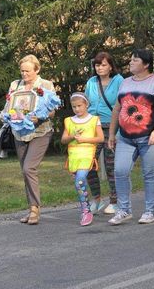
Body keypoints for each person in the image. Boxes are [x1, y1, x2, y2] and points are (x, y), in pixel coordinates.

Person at [107, 49, 154, 225]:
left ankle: (150, 211)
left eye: (135, 60)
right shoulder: (125, 82)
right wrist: (112, 133)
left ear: (146, 64)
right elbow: (117, 108)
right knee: (120, 171)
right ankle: (124, 210)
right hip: (125, 136)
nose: (131, 62)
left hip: (148, 136)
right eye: (131, 59)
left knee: (149, 173)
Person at [2, 55, 57, 225]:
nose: (24, 74)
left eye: (27, 71)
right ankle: (31, 208)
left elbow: (52, 110)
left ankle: (35, 209)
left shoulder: (46, 85)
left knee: (28, 168)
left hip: (40, 132)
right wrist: (6, 115)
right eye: (22, 70)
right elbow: (9, 106)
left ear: (37, 70)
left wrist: (39, 117)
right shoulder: (15, 84)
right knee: (25, 172)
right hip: (19, 133)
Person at [84, 51, 124, 215]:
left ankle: (115, 201)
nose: (99, 68)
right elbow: (85, 103)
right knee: (88, 163)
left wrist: (117, 131)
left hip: (111, 127)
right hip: (93, 127)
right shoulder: (91, 82)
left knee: (110, 165)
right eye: (97, 65)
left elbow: (121, 104)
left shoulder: (119, 80)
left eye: (103, 64)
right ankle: (97, 199)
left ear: (110, 66)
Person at [61, 93, 104, 226]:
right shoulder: (69, 121)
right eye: (74, 107)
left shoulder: (94, 119)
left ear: (86, 105)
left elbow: (101, 138)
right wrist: (72, 136)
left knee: (79, 181)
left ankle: (85, 211)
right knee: (79, 183)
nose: (77, 109)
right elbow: (63, 139)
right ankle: (88, 206)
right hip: (74, 157)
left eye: (79, 106)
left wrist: (84, 139)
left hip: (87, 155)